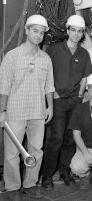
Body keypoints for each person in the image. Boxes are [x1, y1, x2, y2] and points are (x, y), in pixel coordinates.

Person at [0, 14, 54, 199]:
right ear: (26, 31)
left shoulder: (46, 59)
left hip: (38, 113)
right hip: (15, 112)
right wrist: (2, 111)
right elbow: (4, 86)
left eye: (41, 32)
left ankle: (30, 184)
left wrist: (50, 107)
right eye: (35, 31)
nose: (38, 35)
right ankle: (13, 187)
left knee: (36, 151)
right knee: (12, 153)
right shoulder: (12, 56)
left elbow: (49, 86)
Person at [41, 15, 92, 190]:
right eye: (74, 30)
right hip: (58, 100)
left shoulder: (83, 53)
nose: (76, 34)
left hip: (75, 102)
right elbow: (47, 73)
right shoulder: (54, 50)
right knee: (55, 138)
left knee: (70, 139)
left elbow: (85, 77)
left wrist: (79, 95)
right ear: (68, 30)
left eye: (80, 32)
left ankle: (64, 171)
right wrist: (53, 94)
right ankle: (47, 176)